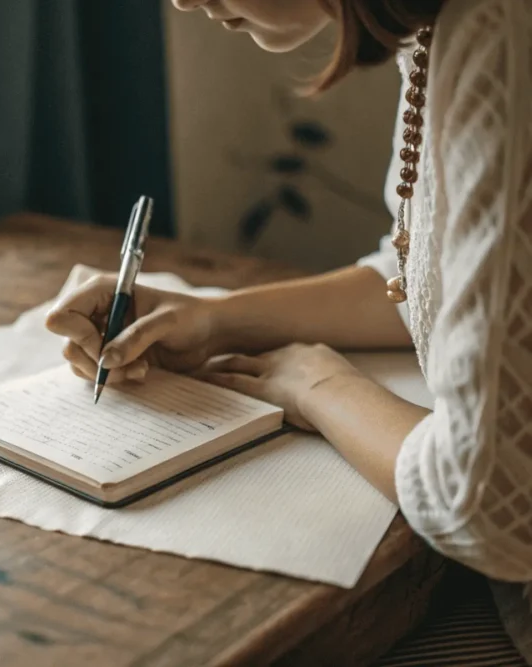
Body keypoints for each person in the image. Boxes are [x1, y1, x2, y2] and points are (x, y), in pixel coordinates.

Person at [46, 0, 531, 663]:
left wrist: (318, 383)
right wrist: (215, 320)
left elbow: (484, 500)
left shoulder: (499, 30)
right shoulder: (436, 28)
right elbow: (425, 274)